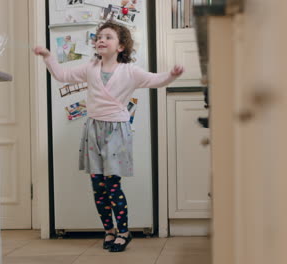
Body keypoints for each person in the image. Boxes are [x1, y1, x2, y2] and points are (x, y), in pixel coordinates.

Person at [33, 21, 184, 252]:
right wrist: (47, 55)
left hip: (116, 130)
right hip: (93, 129)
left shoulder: (129, 71)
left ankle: (124, 232)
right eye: (99, 36)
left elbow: (155, 80)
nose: (101, 40)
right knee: (98, 186)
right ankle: (109, 231)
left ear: (121, 46)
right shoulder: (90, 67)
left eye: (108, 37)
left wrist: (171, 75)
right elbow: (62, 74)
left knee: (112, 185)